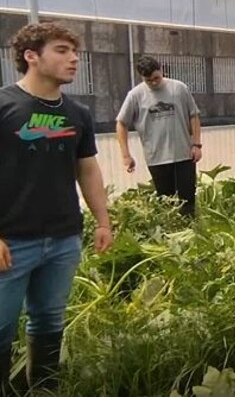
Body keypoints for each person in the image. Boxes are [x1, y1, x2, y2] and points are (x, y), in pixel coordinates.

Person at [0, 23, 114, 394]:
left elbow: (87, 168)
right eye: (62, 51)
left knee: (48, 320)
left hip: (64, 239)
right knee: (1, 325)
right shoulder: (4, 105)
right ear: (32, 56)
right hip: (11, 243)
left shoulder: (77, 113)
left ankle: (45, 389)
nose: (74, 58)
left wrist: (102, 221)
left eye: (75, 52)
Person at [116, 55, 202, 218]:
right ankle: (170, 236)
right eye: (149, 80)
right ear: (142, 78)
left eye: (156, 78)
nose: (154, 83)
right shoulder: (135, 95)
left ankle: (191, 233)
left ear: (161, 70)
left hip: (184, 154)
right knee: (166, 203)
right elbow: (121, 123)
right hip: (156, 158)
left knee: (188, 200)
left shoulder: (179, 88)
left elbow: (194, 115)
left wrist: (196, 144)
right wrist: (126, 155)